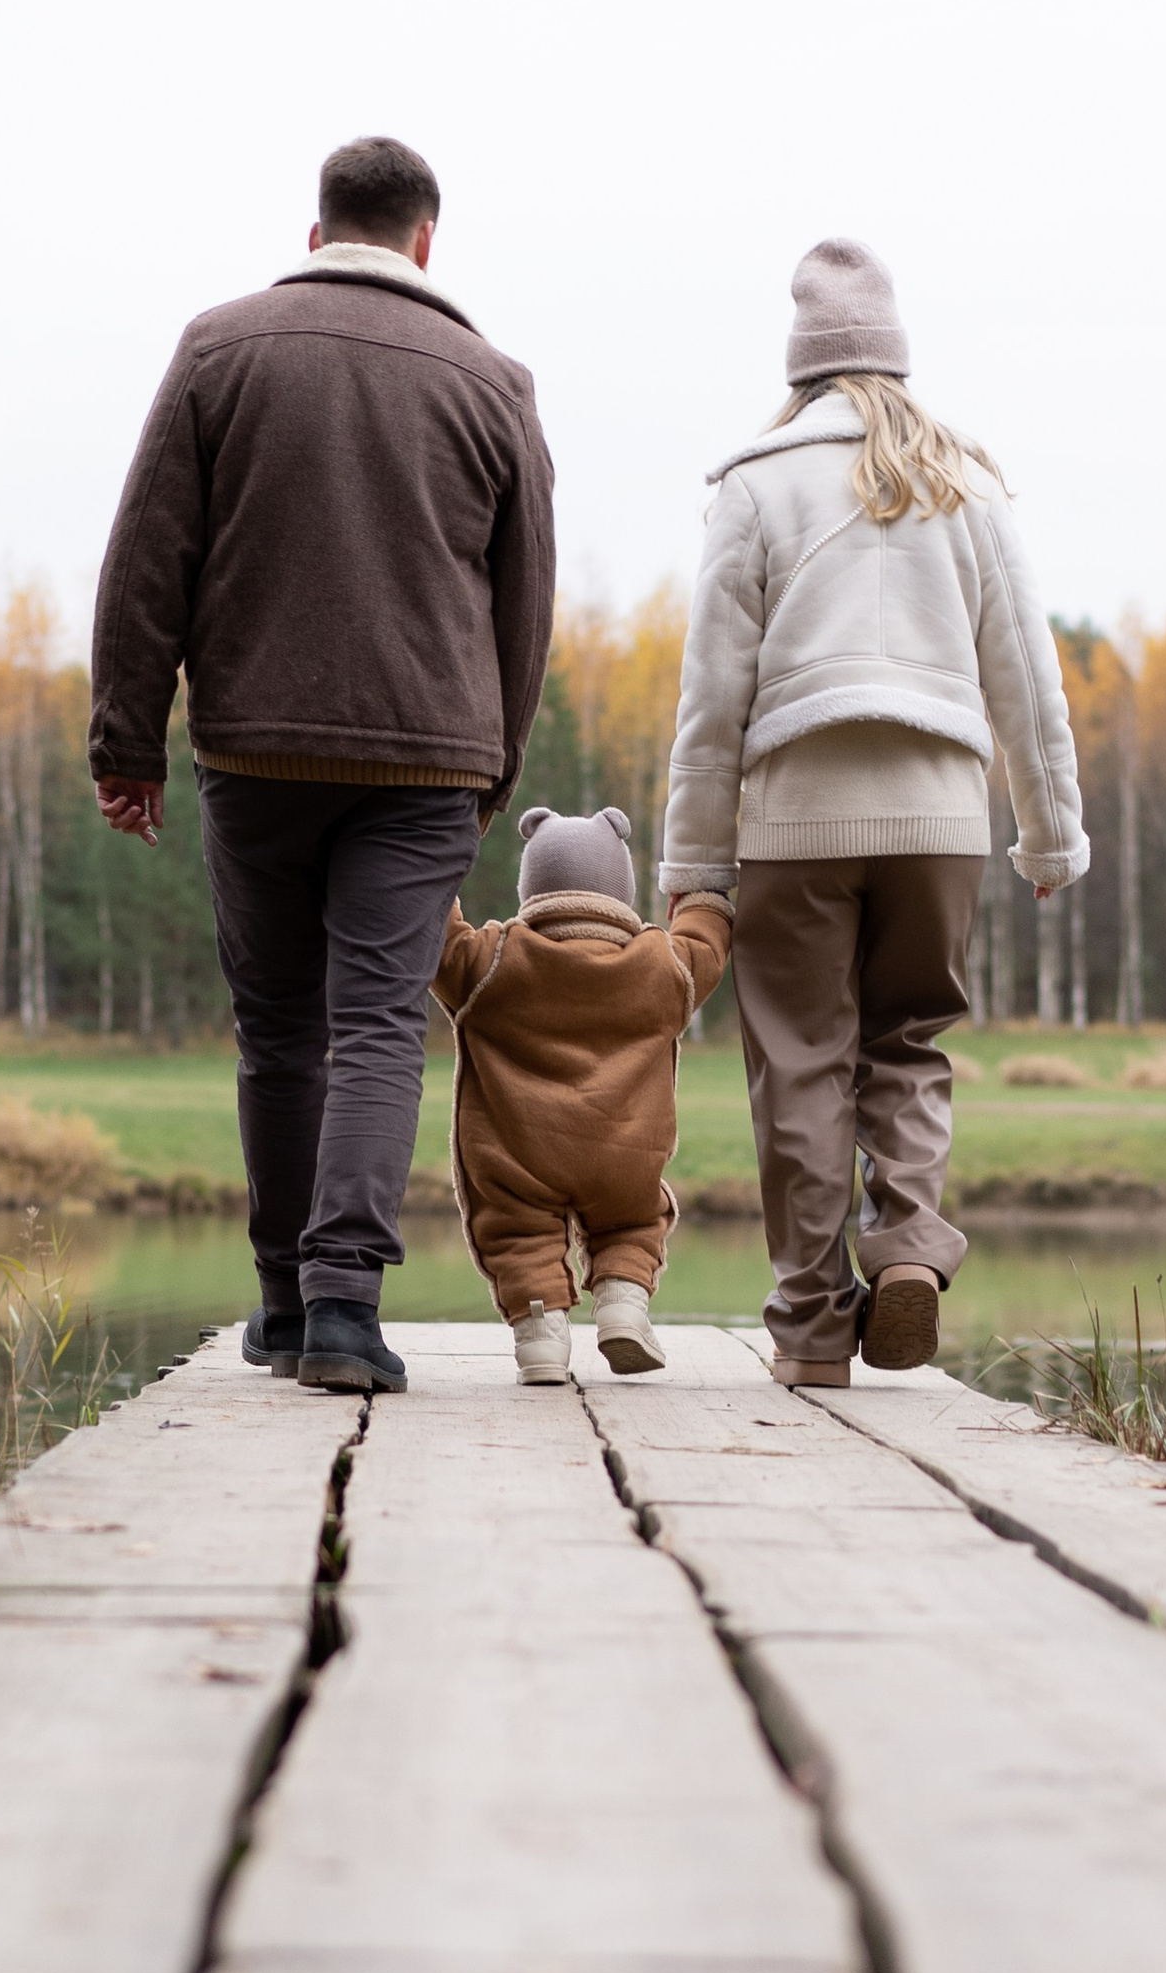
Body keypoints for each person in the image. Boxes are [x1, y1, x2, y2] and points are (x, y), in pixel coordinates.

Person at [89, 136, 556, 1394]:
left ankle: (285, 1306)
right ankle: (346, 1311)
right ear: (423, 242)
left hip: (253, 743)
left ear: (316, 234)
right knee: (377, 1029)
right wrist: (493, 763)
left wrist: (128, 742)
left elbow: (147, 559)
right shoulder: (495, 382)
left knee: (279, 1028)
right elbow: (524, 605)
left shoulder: (218, 347)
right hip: (427, 760)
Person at [658, 239, 1088, 1384]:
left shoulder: (753, 485)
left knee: (800, 1064)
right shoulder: (970, 484)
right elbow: (1027, 685)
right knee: (907, 1045)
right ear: (896, 358)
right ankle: (906, 1248)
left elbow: (712, 702)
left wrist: (693, 869)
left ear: (798, 368)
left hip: (793, 821)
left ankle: (808, 1327)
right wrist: (1050, 835)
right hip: (940, 822)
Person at [432, 802, 732, 1386]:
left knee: (519, 1237)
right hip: (624, 1161)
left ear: (531, 890)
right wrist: (702, 894)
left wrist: (438, 863)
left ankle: (540, 1333)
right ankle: (622, 1302)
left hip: (518, 1160)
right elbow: (707, 944)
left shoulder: (492, 962)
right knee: (630, 1225)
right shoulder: (661, 965)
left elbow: (437, 939)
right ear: (621, 891)